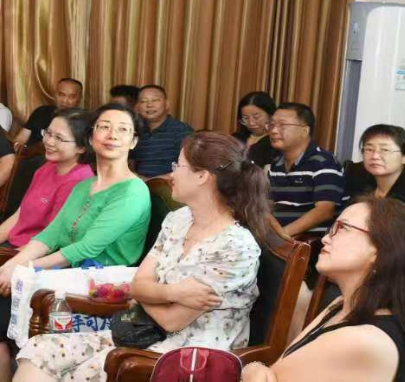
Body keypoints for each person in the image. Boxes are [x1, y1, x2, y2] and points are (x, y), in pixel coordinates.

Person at [13, 131, 271, 382]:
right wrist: (171, 293)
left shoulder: (235, 247)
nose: (171, 173)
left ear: (202, 176)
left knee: (84, 372)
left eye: (178, 165)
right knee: (40, 348)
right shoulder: (178, 219)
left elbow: (172, 321)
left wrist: (146, 294)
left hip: (191, 357)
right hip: (144, 333)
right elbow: (138, 285)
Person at [0, 103, 150, 380]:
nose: (112, 135)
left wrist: (23, 268)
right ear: (91, 137)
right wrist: (12, 265)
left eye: (123, 130)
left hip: (100, 291)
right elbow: (50, 235)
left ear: (133, 141)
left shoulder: (133, 190)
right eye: (104, 127)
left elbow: (86, 247)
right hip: (67, 278)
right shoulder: (84, 187)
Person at [243, 197, 405, 382]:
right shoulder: (343, 304)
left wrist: (252, 369)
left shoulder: (364, 341)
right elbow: (276, 369)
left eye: (343, 228)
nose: (325, 238)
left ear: (382, 249)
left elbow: (271, 375)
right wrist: (254, 368)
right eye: (332, 228)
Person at [0, 109, 94, 248]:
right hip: (13, 246)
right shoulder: (47, 167)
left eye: (59, 138)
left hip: (32, 253)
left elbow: (51, 241)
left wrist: (11, 257)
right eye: (48, 133)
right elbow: (19, 215)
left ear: (82, 147)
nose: (49, 141)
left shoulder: (79, 182)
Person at [268, 103, 345, 238]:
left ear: (305, 130)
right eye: (272, 124)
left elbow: (325, 211)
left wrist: (281, 236)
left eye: (282, 125)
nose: (274, 130)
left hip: (312, 242)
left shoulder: (323, 162)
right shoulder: (275, 165)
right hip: (279, 240)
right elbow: (266, 207)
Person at [130, 85, 193, 178]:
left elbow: (189, 168)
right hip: (139, 183)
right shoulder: (135, 131)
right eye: (143, 101)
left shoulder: (181, 130)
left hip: (170, 184)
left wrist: (152, 181)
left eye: (155, 100)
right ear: (137, 107)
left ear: (167, 104)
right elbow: (130, 162)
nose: (149, 105)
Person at [13, 78, 83, 148]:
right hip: (30, 153)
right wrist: (17, 148)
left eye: (71, 97)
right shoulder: (41, 112)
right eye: (61, 95)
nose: (65, 101)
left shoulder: (82, 121)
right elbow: (22, 138)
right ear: (54, 94)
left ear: (80, 98)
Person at [232, 91, 278, 168]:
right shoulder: (235, 139)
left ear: (270, 114)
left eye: (256, 117)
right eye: (246, 118)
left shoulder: (277, 141)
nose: (251, 123)